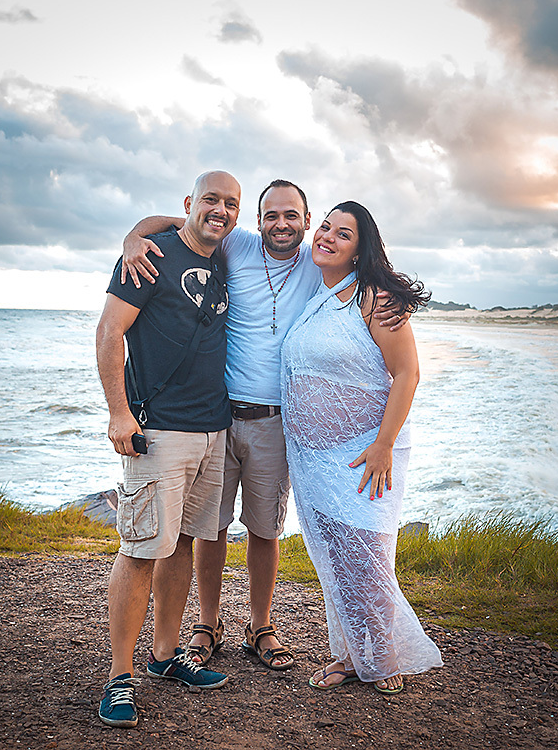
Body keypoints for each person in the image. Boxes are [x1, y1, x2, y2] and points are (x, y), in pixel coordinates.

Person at [120, 181, 410, 673]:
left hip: (277, 424)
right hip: (216, 415)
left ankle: (260, 626)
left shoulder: (320, 267)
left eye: (292, 216)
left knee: (265, 529)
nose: (282, 224)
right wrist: (132, 237)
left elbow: (376, 328)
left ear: (305, 219)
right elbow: (177, 222)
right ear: (256, 221)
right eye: (271, 215)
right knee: (209, 529)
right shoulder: (236, 244)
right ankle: (207, 626)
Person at [93, 170, 239, 729]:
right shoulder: (148, 256)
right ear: (188, 204)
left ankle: (164, 655)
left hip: (213, 429)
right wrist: (117, 413)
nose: (219, 211)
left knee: (180, 544)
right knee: (139, 550)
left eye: (230, 204)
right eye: (210, 200)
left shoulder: (226, 260)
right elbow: (110, 332)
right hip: (159, 431)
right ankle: (119, 676)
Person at [281, 200, 442, 695]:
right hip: (313, 460)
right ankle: (352, 653)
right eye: (324, 227)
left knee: (367, 552)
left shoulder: (374, 298)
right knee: (336, 555)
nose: (326, 236)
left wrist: (383, 444)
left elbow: (407, 374)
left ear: (359, 249)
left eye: (342, 234)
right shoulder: (318, 297)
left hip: (364, 453)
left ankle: (384, 656)